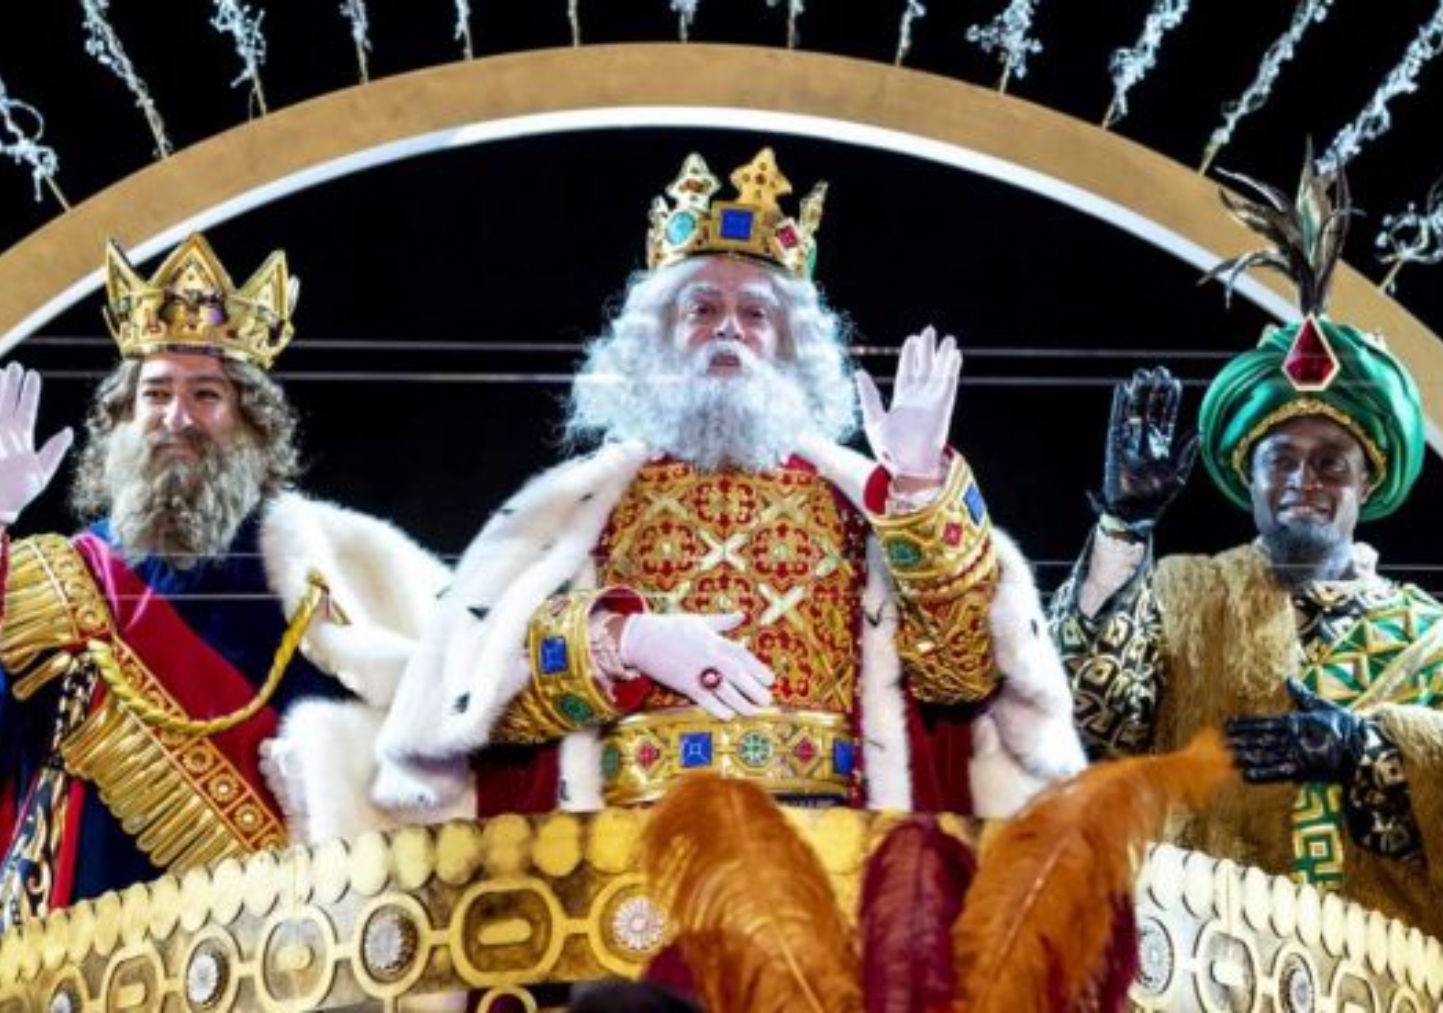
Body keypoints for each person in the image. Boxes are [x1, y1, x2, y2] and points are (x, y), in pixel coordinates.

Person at [364, 147, 1084, 827]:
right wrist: (624, 637)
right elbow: (481, 708)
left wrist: (920, 486)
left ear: (790, 343)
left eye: (755, 314)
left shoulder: (859, 503)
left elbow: (960, 679)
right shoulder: (580, 506)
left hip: (827, 866)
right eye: (702, 309)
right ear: (656, 339)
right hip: (630, 871)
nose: (728, 331)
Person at [1048, 158, 1443, 1003]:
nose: (1305, 479)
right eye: (1281, 459)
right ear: (1248, 478)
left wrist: (1368, 753)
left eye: (1329, 460)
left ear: (1365, 481)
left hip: (1381, 988)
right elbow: (1083, 713)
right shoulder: (1184, 597)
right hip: (1198, 976)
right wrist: (1125, 527)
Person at [0, 233, 444, 964]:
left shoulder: (327, 577)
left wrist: (339, 779)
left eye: (206, 395)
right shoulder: (60, 584)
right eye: (156, 393)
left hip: (280, 964)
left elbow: (427, 760)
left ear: (253, 424)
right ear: (121, 421)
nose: (178, 418)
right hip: (76, 973)